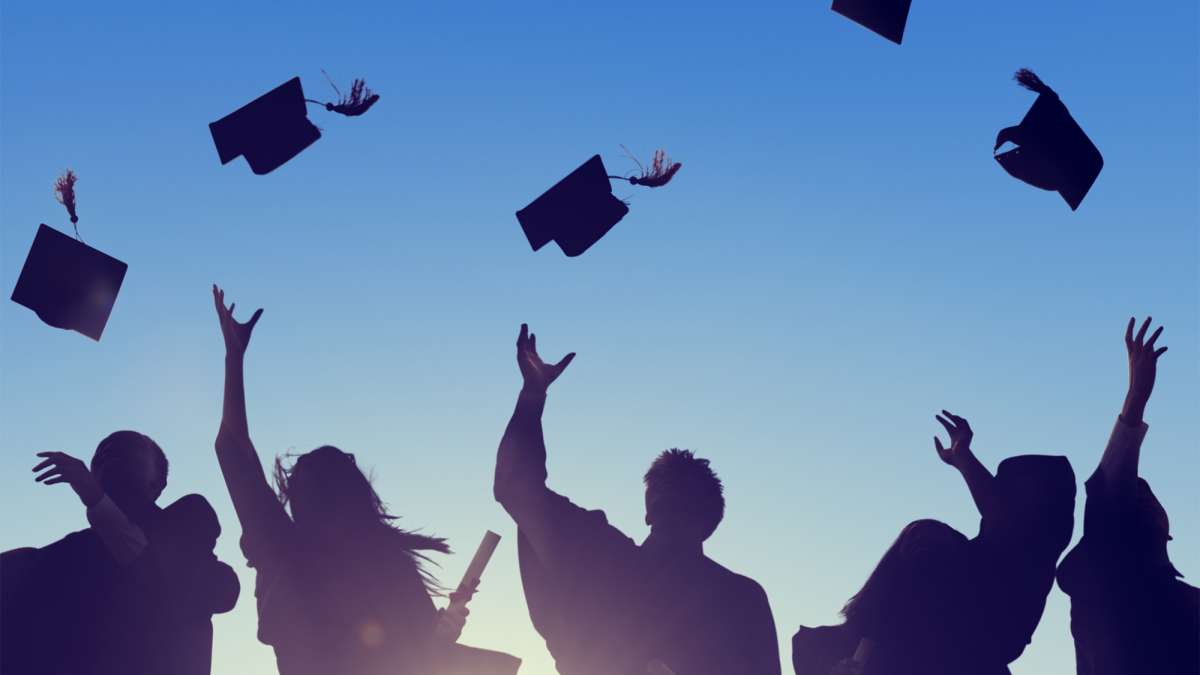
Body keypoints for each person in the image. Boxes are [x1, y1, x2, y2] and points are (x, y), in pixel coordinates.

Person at [210, 285, 518, 675]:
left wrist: (234, 357)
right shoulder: (382, 558)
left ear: (299, 496)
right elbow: (421, 655)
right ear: (359, 494)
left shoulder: (282, 547)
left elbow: (232, 449)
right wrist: (441, 631)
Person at [494, 324, 781, 675]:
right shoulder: (741, 599)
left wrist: (533, 394)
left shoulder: (603, 559)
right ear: (711, 523)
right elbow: (516, 488)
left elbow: (516, 486)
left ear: (650, 508)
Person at [793, 412, 1075, 675]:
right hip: (915, 640)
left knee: (928, 535)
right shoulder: (980, 550)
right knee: (927, 534)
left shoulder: (1028, 551)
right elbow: (997, 508)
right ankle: (863, 650)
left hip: (964, 644)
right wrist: (963, 458)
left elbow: (1004, 514)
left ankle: (865, 652)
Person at [0, 431, 240, 675]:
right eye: (99, 452)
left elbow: (196, 586)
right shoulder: (72, 551)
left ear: (158, 483)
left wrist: (97, 501)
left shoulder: (188, 520)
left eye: (126, 447)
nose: (105, 452)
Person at [1056, 317, 1199, 674]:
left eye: (1146, 495)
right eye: (1136, 498)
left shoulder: (1184, 601)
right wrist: (1135, 399)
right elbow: (1108, 497)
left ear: (1168, 529)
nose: (1141, 497)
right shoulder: (1113, 584)